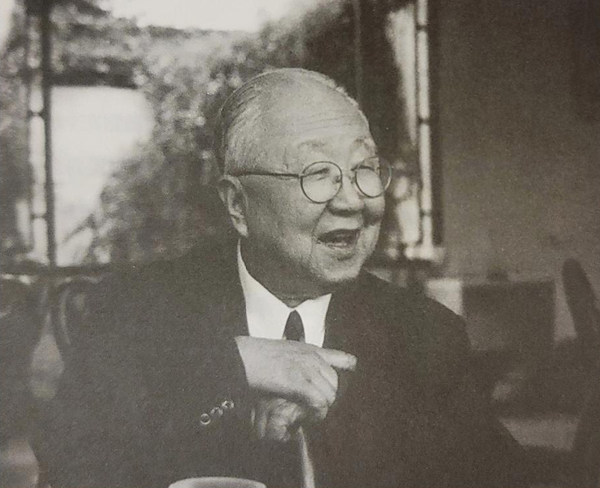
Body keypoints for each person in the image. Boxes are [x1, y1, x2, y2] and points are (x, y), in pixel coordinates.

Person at [34, 68, 526, 488]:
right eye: (317, 174)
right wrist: (231, 367)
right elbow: (69, 467)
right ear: (238, 204)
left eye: (364, 169)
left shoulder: (425, 333)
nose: (352, 200)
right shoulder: (138, 309)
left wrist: (335, 427)